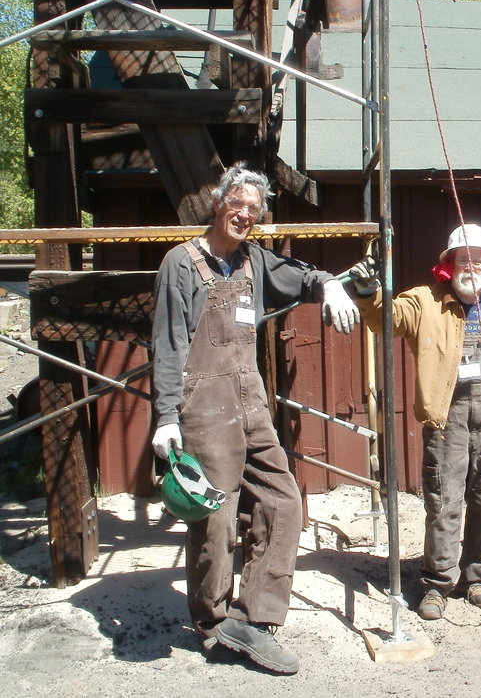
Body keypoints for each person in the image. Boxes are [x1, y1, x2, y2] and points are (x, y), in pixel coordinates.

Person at [150, 163, 360, 673]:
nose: (243, 214)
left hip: (250, 400)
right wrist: (165, 416)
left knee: (283, 501)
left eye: (253, 209)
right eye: (236, 204)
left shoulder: (254, 261)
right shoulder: (181, 264)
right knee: (215, 517)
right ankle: (213, 622)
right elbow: (169, 345)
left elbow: (301, 277)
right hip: (203, 404)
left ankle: (257, 615)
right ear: (217, 204)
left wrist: (330, 284)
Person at [350, 223, 481, 620]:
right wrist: (368, 292)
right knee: (443, 502)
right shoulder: (424, 301)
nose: (471, 265)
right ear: (449, 263)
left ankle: (477, 577)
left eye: (479, 259)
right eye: (463, 258)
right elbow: (383, 318)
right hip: (447, 416)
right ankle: (437, 583)